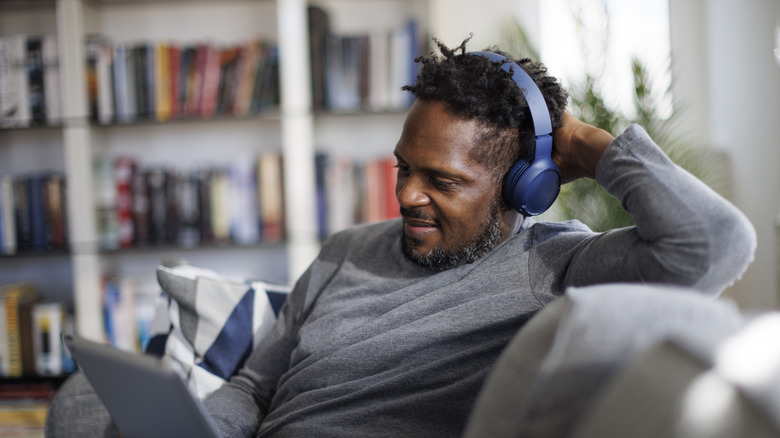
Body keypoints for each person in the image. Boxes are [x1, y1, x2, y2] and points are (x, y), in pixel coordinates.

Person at [47, 37, 756, 437]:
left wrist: (583, 143)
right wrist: (205, 429)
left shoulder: (558, 266)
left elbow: (715, 245)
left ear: (524, 186)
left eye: (441, 181)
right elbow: (258, 383)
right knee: (84, 405)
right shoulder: (347, 250)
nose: (408, 195)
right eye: (403, 168)